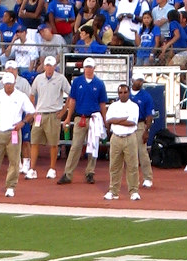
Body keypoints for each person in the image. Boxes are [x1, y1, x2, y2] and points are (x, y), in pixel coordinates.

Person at [0, 71, 35, 198]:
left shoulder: (20, 96)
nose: (8, 86)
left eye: (10, 84)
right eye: (6, 84)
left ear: (14, 83)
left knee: (14, 161)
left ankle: (10, 186)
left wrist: (23, 122)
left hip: (14, 132)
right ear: (3, 84)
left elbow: (31, 111)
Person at [56, 57, 107, 186]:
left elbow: (102, 104)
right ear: (84, 68)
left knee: (93, 145)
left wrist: (105, 120)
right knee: (75, 146)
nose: (88, 69)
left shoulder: (99, 84)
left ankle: (90, 172)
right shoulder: (77, 82)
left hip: (94, 117)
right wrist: (68, 117)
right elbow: (72, 100)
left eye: (90, 67)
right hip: (80, 117)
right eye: (87, 67)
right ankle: (68, 173)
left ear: (94, 68)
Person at [27, 55, 69, 180]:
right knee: (34, 141)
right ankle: (32, 169)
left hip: (53, 114)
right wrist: (33, 111)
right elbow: (32, 94)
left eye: (52, 65)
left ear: (55, 66)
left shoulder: (61, 79)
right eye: (47, 65)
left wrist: (63, 111)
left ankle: (52, 168)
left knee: (53, 143)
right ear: (44, 66)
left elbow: (71, 95)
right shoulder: (38, 79)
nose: (49, 68)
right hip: (39, 114)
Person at [104, 82, 141, 202]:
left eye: (125, 92)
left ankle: (134, 191)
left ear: (129, 93)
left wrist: (117, 120)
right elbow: (109, 120)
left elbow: (132, 122)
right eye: (120, 93)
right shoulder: (113, 106)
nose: (123, 95)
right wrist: (122, 119)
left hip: (130, 137)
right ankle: (113, 191)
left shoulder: (134, 106)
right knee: (114, 166)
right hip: (116, 137)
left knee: (132, 166)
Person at [128, 73, 155, 190]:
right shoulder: (126, 94)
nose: (140, 83)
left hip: (139, 124)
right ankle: (132, 178)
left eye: (141, 81)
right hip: (127, 124)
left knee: (142, 152)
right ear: (133, 80)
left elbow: (149, 115)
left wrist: (146, 130)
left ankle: (148, 177)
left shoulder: (146, 96)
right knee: (128, 153)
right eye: (138, 80)